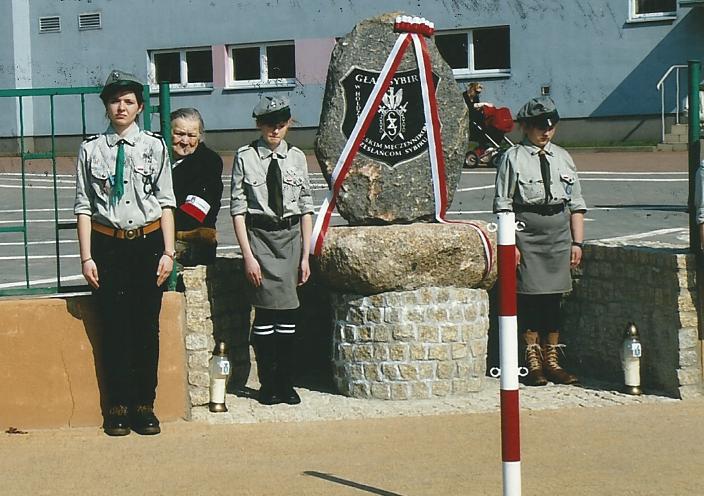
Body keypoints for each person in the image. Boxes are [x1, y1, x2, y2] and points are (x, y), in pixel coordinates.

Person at [74, 69, 176, 435]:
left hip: (147, 244)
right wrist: (87, 257)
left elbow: (166, 202)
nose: (121, 107)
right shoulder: (91, 150)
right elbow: (84, 207)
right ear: (106, 106)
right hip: (108, 246)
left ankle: (144, 406)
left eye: (129, 101)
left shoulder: (154, 146)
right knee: (113, 328)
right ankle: (116, 407)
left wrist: (168, 252)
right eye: (115, 101)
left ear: (139, 107)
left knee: (146, 328)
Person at [493, 96, 586, 386]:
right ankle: (532, 361)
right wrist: (511, 245)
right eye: (538, 127)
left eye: (550, 126)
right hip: (527, 237)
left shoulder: (563, 157)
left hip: (557, 237)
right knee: (529, 298)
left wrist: (577, 243)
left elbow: (576, 203)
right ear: (525, 127)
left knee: (554, 299)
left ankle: (552, 361)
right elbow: (504, 204)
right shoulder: (513, 158)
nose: (545, 132)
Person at [230, 96, 314, 405]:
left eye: (280, 125)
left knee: (289, 314)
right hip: (260, 240)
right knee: (265, 313)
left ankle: (286, 382)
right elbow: (238, 209)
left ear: (289, 124)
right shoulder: (246, 157)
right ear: (259, 125)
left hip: (289, 239)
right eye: (268, 125)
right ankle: (268, 384)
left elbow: (306, 207)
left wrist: (305, 256)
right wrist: (248, 256)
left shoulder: (297, 157)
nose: (274, 131)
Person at [170, 108, 224, 266]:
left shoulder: (209, 161)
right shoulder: (158, 156)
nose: (185, 141)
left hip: (192, 248)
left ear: (200, 137)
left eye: (191, 135)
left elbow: (193, 213)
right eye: (179, 134)